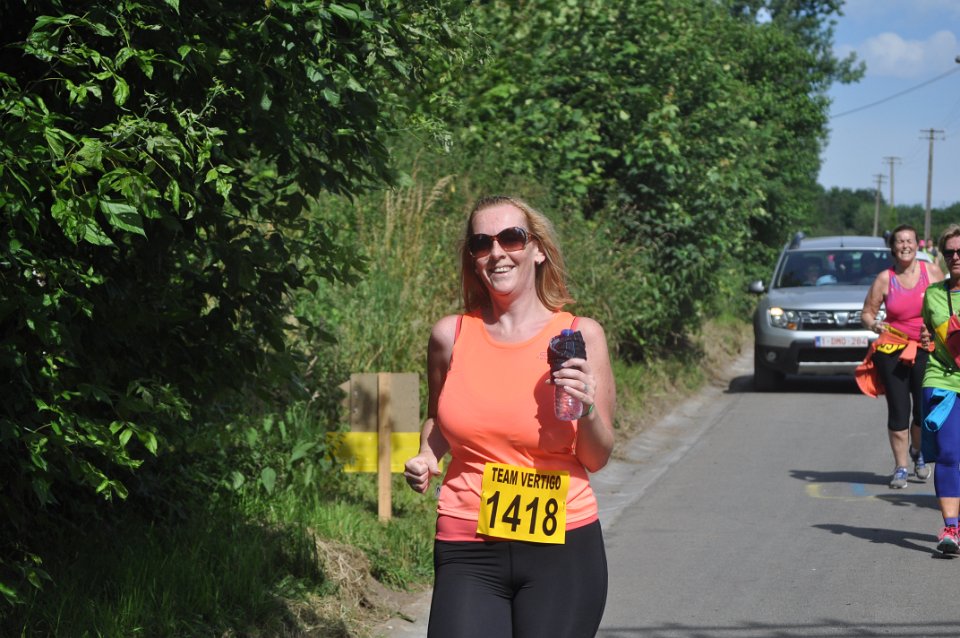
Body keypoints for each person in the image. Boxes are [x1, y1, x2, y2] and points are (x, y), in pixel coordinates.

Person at [403, 195, 616, 637]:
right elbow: (439, 419)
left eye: (511, 238)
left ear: (537, 249)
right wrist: (426, 455)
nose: (496, 252)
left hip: (561, 544)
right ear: (473, 258)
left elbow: (596, 458)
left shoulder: (580, 335)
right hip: (468, 544)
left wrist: (587, 407)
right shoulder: (450, 335)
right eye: (482, 243)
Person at [861, 224, 944, 488]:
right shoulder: (885, 279)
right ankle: (901, 467)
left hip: (926, 348)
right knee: (898, 410)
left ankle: (918, 452)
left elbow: (948, 304)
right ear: (893, 247)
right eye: (900, 241)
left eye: (909, 241)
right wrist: (875, 324)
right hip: (893, 350)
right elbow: (867, 313)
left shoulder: (931, 272)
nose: (905, 246)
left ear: (917, 245)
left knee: (922, 410)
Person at [921, 224, 960, 553]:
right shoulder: (933, 294)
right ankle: (951, 529)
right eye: (950, 252)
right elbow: (928, 330)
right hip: (942, 378)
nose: (955, 257)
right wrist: (927, 339)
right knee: (948, 454)